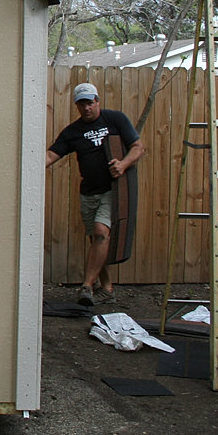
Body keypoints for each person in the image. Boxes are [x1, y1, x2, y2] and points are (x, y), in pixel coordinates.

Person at [46, 82, 145, 306]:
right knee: (97, 241)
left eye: (90, 103)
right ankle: (107, 288)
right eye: (82, 104)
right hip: (88, 193)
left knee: (101, 233)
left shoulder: (115, 120)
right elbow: (51, 155)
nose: (86, 108)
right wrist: (28, 169)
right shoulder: (73, 132)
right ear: (77, 106)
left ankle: (87, 286)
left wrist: (123, 164)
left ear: (97, 102)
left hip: (112, 190)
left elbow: (138, 147)